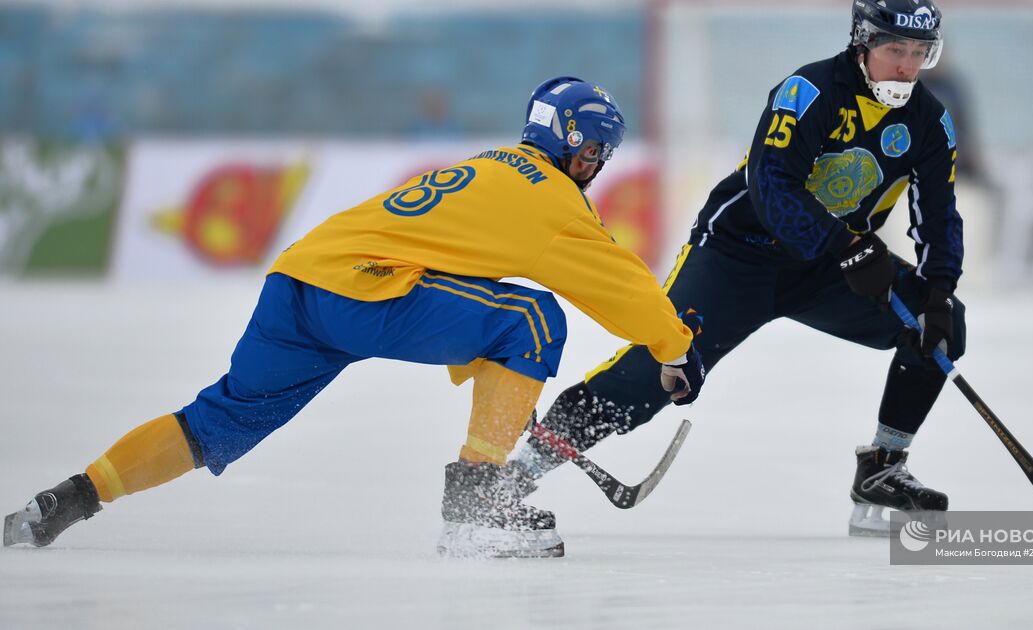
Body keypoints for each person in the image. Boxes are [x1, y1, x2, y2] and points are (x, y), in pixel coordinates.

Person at [2, 76, 706, 558]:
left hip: (298, 281)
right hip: (363, 294)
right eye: (590, 152)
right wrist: (673, 348)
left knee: (215, 420)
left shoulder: (492, 164)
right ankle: (477, 506)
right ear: (564, 141)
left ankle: (70, 500)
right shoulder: (553, 198)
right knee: (533, 320)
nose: (595, 166)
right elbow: (621, 286)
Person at [506, 0, 965, 536]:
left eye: (918, 53)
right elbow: (772, 185)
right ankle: (511, 477)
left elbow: (937, 211)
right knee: (653, 375)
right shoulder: (809, 91)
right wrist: (847, 245)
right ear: (863, 44)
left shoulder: (930, 120)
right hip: (736, 254)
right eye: (895, 50)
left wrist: (937, 289)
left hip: (824, 268)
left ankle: (883, 470)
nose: (907, 67)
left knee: (942, 326)